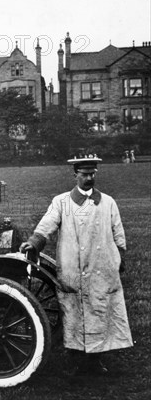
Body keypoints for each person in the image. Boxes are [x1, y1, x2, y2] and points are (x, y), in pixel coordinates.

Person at [20, 153, 132, 375]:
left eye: (92, 174)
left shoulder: (108, 202)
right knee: (73, 312)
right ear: (75, 175)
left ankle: (95, 361)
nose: (88, 178)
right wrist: (34, 243)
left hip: (102, 267)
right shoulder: (61, 202)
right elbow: (46, 225)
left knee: (99, 311)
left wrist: (120, 257)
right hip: (72, 268)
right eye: (84, 174)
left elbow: (118, 232)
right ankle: (75, 361)